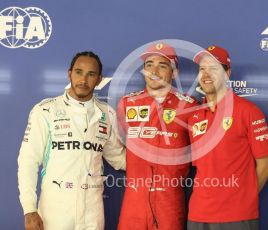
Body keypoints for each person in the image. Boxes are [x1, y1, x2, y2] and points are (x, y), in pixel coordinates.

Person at [18, 51, 126, 230]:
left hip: (93, 212)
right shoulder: (45, 110)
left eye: (91, 74)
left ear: (99, 79)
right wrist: (29, 210)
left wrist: (156, 160)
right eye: (78, 72)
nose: (83, 79)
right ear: (69, 74)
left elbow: (117, 157)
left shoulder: (107, 113)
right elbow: (27, 161)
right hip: (55, 212)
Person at [187, 45, 268, 230]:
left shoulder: (248, 111)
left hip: (237, 215)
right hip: (198, 214)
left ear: (227, 73)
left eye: (214, 68)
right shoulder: (194, 117)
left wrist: (243, 199)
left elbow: (266, 165)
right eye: (202, 69)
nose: (206, 74)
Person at [117, 42, 197, 230]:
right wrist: (132, 167)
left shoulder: (189, 105)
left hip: (170, 200)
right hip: (134, 200)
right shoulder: (127, 103)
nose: (154, 70)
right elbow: (115, 145)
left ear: (174, 72)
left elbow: (200, 152)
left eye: (162, 65)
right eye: (149, 65)